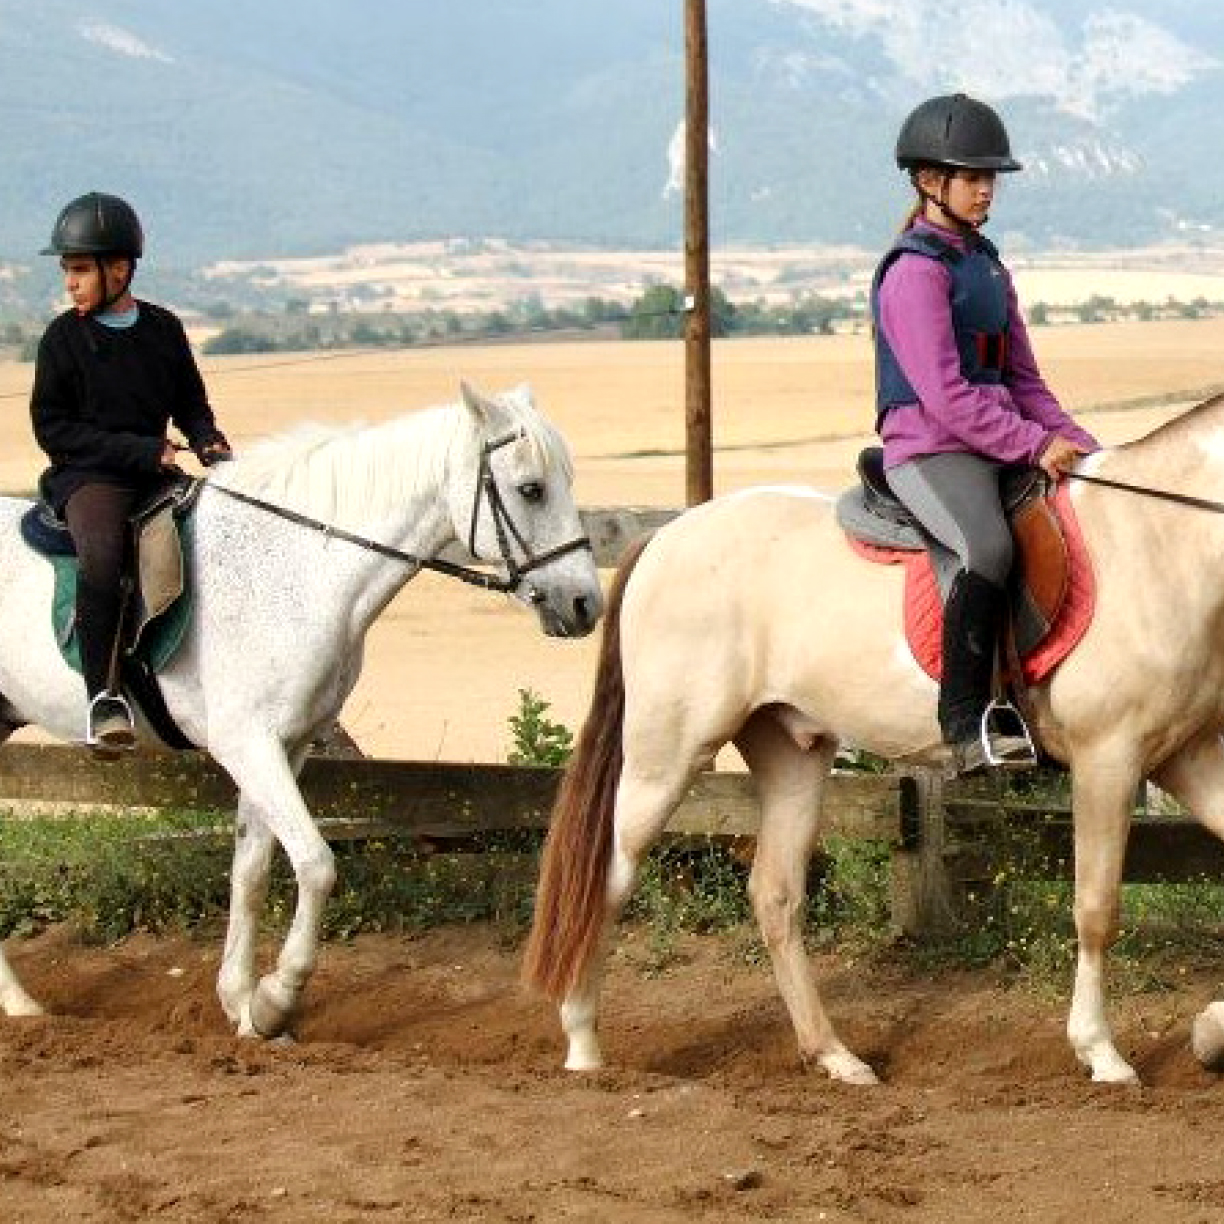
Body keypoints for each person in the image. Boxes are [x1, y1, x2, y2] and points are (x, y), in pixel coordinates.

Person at [871, 94, 1100, 774]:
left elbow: (1025, 380)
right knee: (988, 546)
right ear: (929, 182)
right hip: (932, 448)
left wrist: (1082, 447)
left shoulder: (988, 267)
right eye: (972, 178)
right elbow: (945, 397)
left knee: (1072, 516)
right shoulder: (914, 272)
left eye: (989, 178)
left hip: (991, 438)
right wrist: (1031, 445)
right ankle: (966, 723)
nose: (985, 191)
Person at [30, 191, 232, 754]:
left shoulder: (164, 329)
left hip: (155, 475)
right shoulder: (62, 340)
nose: (69, 283)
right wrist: (142, 452)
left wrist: (208, 441)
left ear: (118, 270)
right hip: (91, 480)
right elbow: (54, 431)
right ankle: (104, 698)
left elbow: (191, 402)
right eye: (67, 271)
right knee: (102, 556)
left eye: (78, 270)